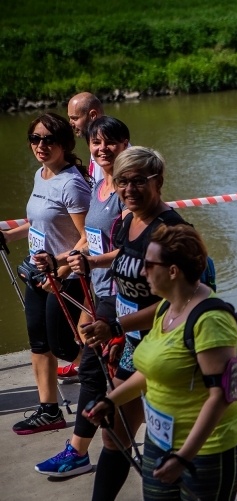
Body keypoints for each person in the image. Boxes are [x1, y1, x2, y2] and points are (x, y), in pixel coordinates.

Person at [85, 224, 237, 500]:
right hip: (160, 441)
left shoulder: (212, 321)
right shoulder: (167, 307)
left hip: (207, 451)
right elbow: (152, 373)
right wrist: (112, 400)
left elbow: (222, 396)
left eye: (149, 264)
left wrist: (184, 457)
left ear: (173, 271)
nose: (141, 271)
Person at [80, 146, 188, 501]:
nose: (128, 189)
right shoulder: (130, 219)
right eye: (122, 181)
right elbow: (127, 255)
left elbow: (177, 305)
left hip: (165, 350)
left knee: (164, 440)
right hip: (133, 346)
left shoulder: (171, 232)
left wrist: (115, 327)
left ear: (158, 182)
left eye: (138, 181)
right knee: (115, 434)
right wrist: (91, 262)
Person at [34, 117, 129, 477]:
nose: (102, 149)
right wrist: (59, 262)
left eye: (111, 142)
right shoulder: (98, 186)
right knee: (103, 366)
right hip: (99, 290)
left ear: (125, 144)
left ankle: (79, 451)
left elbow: (135, 246)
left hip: (123, 294)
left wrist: (87, 262)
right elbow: (90, 236)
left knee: (95, 369)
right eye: (96, 143)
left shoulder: (127, 188)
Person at [0, 113, 91, 434]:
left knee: (65, 347)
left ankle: (112, 380)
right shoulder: (42, 175)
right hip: (38, 273)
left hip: (64, 277)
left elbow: (87, 238)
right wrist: (10, 236)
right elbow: (39, 222)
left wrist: (60, 261)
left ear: (65, 144)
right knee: (39, 345)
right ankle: (49, 410)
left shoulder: (73, 183)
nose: (41, 145)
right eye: (35, 139)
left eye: (49, 139)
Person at [68, 92, 106, 187]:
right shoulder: (97, 143)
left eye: (75, 118)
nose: (71, 124)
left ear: (93, 115)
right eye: (70, 118)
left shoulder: (109, 149)